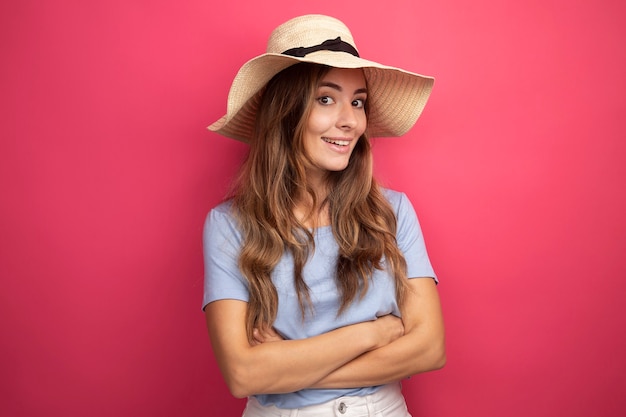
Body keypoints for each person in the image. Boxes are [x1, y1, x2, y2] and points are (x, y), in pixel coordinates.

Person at [202, 14, 445, 417]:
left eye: (358, 101)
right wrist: (375, 332)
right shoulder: (230, 225)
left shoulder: (392, 212)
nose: (349, 120)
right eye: (326, 98)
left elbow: (430, 347)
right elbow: (243, 374)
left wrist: (287, 365)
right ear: (286, 112)